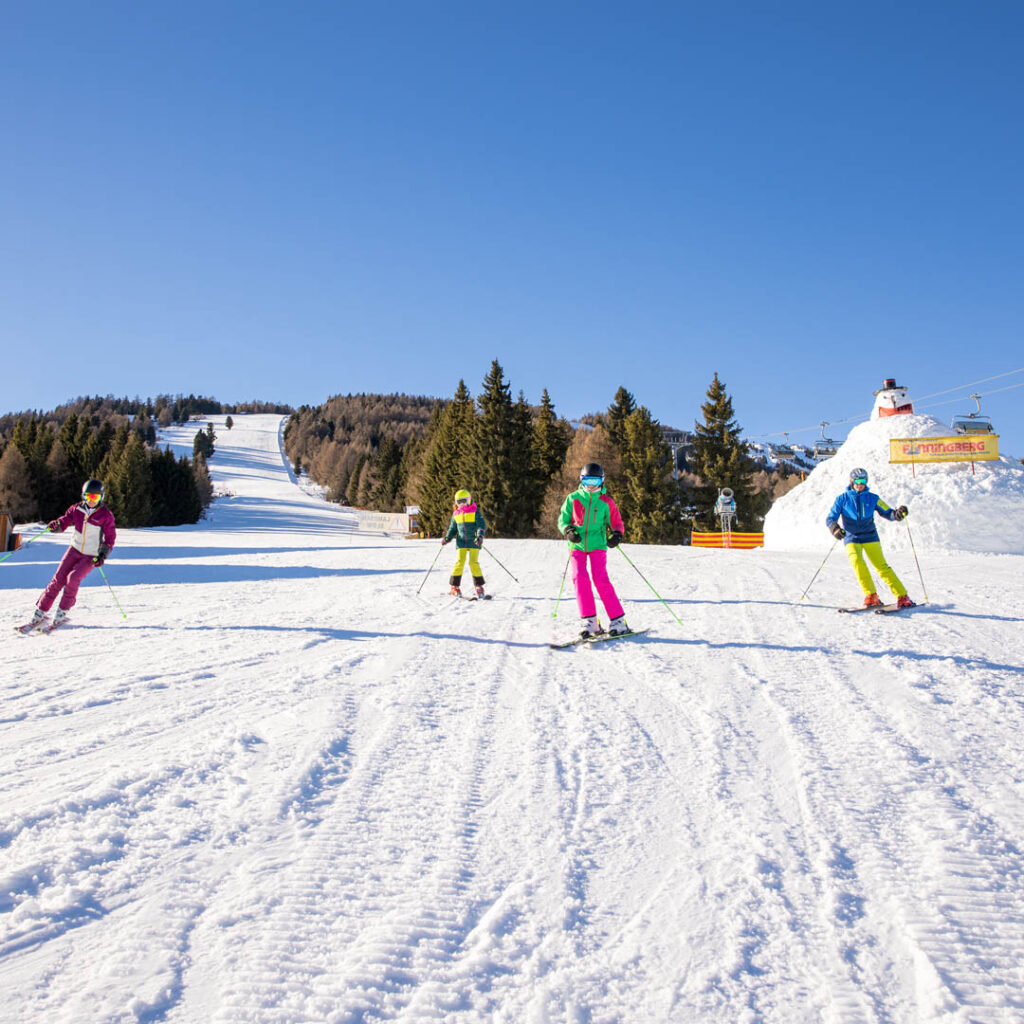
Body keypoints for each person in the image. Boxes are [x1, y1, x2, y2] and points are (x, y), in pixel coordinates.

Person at [21, 479, 117, 632]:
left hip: (91, 555)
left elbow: (110, 538)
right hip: (74, 549)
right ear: (83, 496)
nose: (91, 501)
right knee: (58, 579)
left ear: (101, 498)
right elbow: (65, 521)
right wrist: (56, 525)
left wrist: (102, 554)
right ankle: (40, 612)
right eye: (88, 496)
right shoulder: (76, 509)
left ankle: (61, 613)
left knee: (73, 579)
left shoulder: (106, 515)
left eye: (95, 497)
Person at [557, 462, 631, 637]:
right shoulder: (573, 498)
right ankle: (590, 621)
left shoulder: (606, 501)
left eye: (596, 482)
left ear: (602, 482)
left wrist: (617, 534)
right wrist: (568, 530)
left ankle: (618, 620)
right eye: (588, 480)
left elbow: (616, 521)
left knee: (600, 578)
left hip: (597, 544)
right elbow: (563, 519)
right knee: (579, 578)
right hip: (578, 544)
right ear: (581, 480)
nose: (591, 485)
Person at [826, 466, 915, 608]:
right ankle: (871, 595)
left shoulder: (873, 498)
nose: (860, 484)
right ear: (851, 481)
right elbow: (831, 518)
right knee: (857, 563)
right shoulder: (842, 499)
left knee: (881, 566)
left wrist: (897, 514)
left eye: (863, 481)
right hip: (851, 537)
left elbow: (888, 512)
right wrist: (835, 529)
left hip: (870, 536)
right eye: (857, 480)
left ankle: (902, 596)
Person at [441, 489, 486, 597]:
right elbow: (453, 528)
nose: (461, 504)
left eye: (464, 501)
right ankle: (454, 586)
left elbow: (481, 524)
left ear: (469, 500)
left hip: (474, 541)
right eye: (459, 502)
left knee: (473, 562)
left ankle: (479, 586)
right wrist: (447, 538)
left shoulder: (475, 510)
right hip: (461, 541)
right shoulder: (456, 514)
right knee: (459, 562)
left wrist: (479, 536)